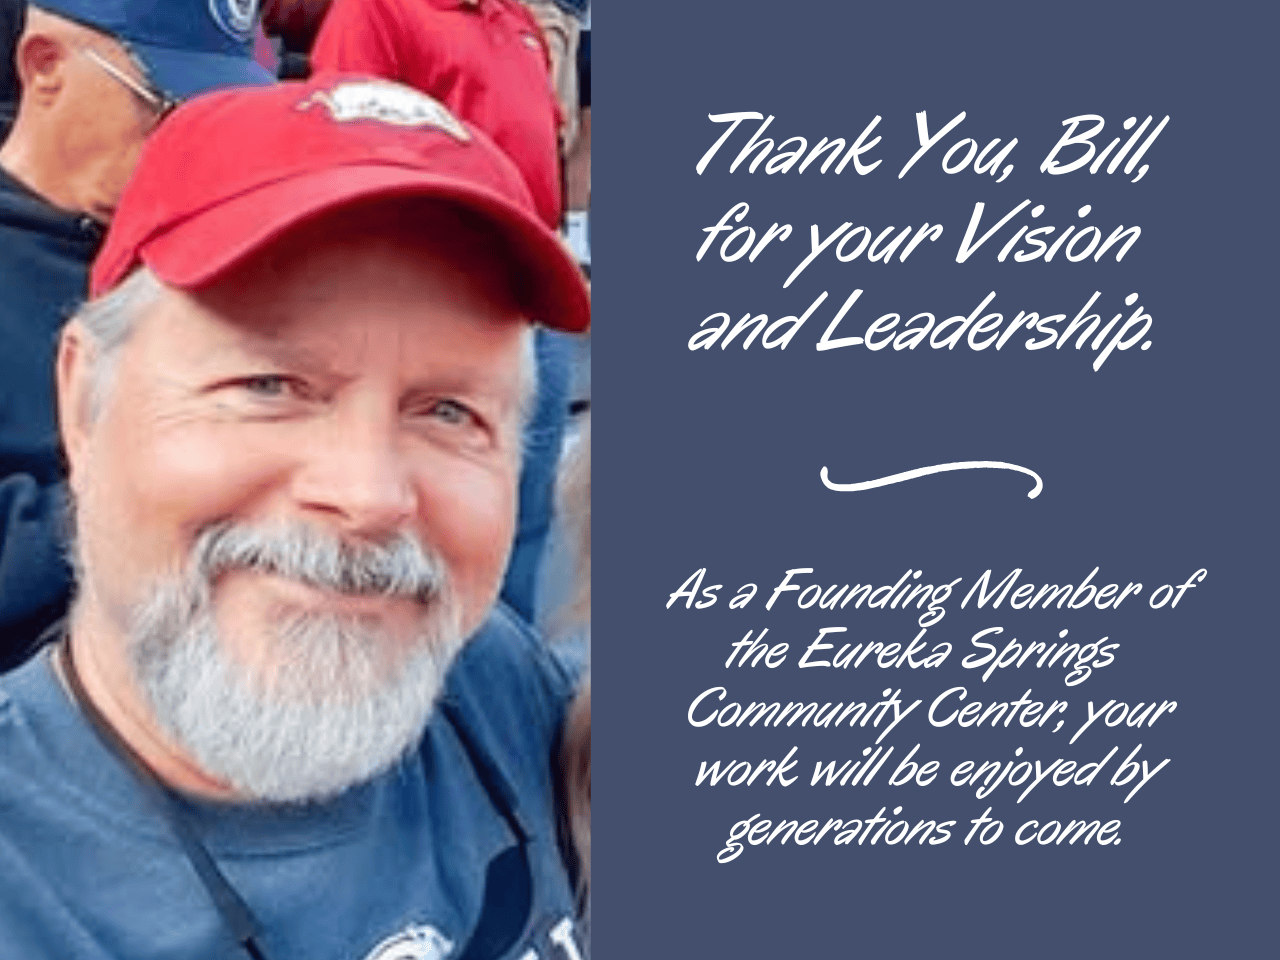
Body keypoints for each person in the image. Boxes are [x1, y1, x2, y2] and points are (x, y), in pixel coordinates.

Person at [0, 75, 590, 960]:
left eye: (448, 412)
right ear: (84, 400)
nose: (368, 496)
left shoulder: (492, 682)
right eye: (268, 386)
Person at [0, 0, 271, 667]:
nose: (194, 144)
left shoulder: (202, 242)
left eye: (216, 116)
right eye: (166, 105)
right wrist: (182, 489)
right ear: (45, 67)